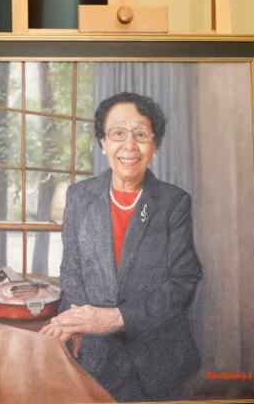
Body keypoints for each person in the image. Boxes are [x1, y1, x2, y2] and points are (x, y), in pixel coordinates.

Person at [40, 91, 203, 401]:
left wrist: (116, 318)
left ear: (154, 145)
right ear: (103, 143)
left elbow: (183, 283)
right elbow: (71, 269)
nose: (129, 145)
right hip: (94, 357)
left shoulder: (173, 202)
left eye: (140, 134)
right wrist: (74, 320)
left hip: (157, 361)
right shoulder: (80, 197)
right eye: (117, 134)